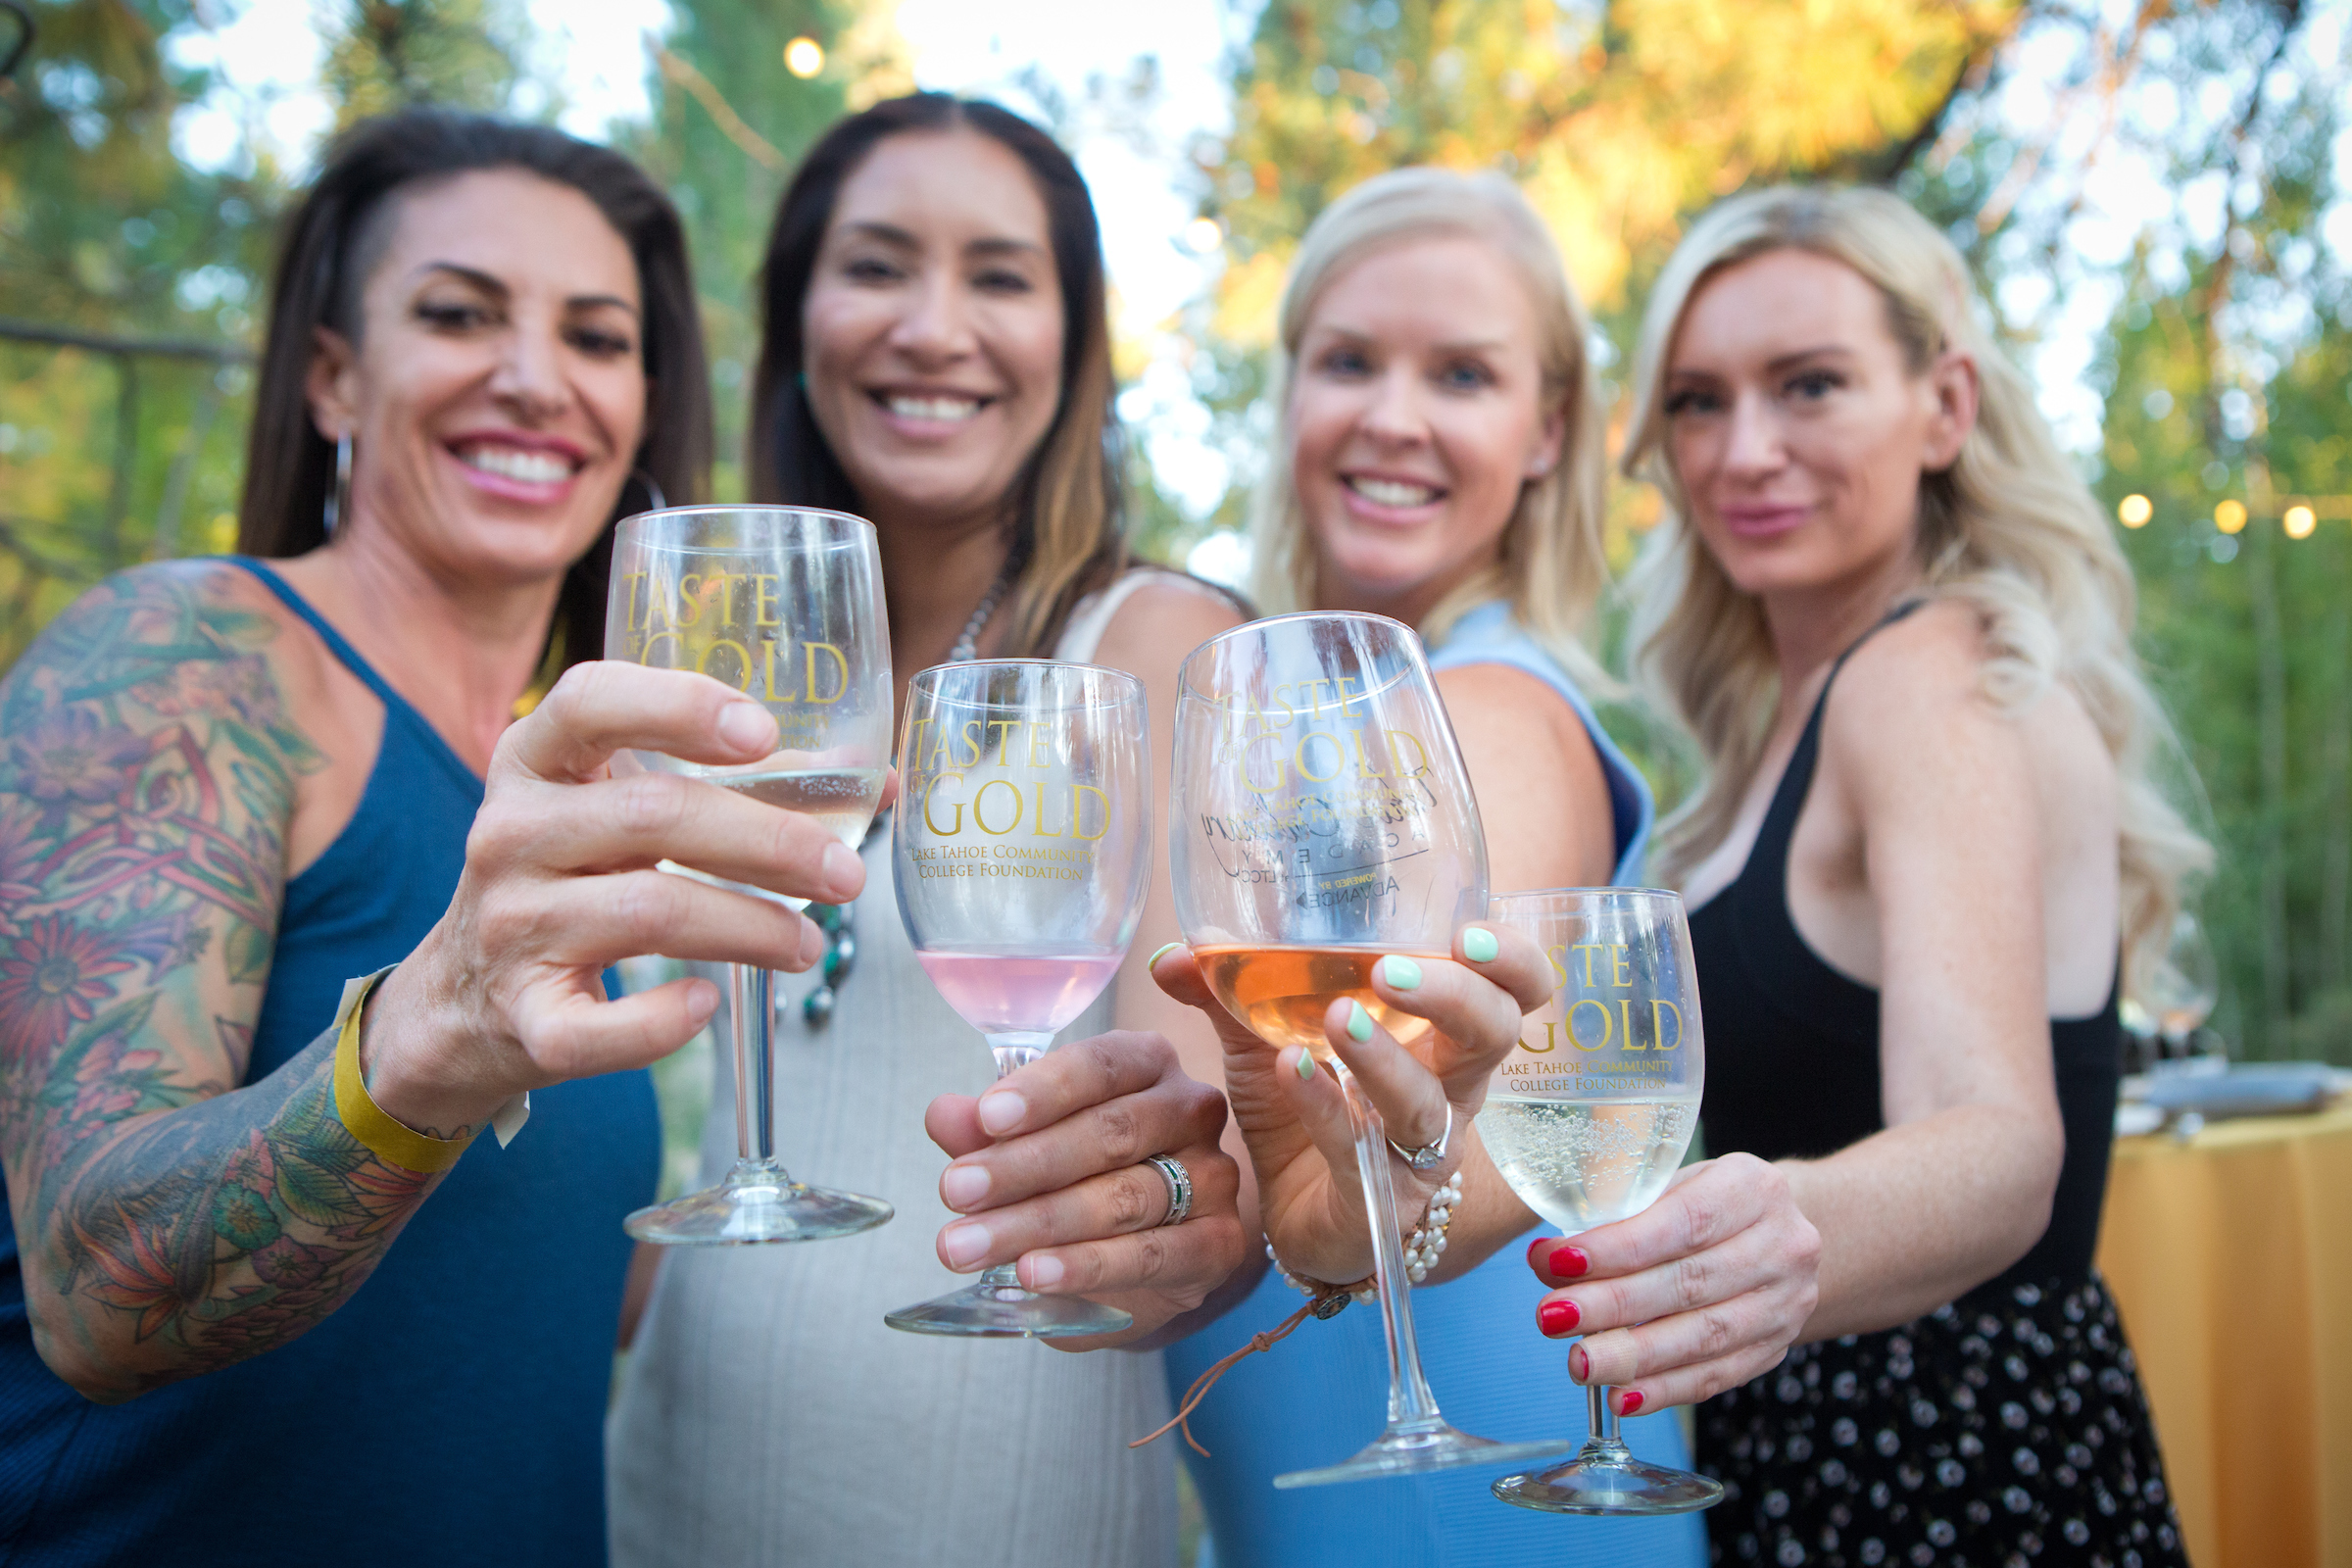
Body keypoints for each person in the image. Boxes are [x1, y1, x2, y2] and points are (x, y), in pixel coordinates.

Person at [0, 109, 759, 1565]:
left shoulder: (597, 797)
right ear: (336, 376)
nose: (536, 379)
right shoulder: (186, 661)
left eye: (597, 339)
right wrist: (423, 1038)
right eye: (461, 314)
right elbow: (97, 1291)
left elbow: (528, 1313)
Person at [607, 94, 1248, 1568]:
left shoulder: (1146, 644)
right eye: (879, 265)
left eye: (1001, 277)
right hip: (675, 1458)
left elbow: (1224, 1136)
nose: (932, 326)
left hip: (996, 1490)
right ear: (799, 318)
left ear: (1077, 347)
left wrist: (1192, 1224)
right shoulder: (730, 673)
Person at [1549, 183, 2199, 1566]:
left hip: (1939, 1467)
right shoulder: (1778, 728)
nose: (1746, 450)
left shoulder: (1928, 674)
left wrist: (1748, 1241)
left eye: (1811, 387)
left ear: (1945, 406)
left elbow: (2001, 1146)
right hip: (1807, 1449)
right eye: (1699, 402)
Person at [1157, 169, 1708, 1565]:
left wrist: (1354, 1218)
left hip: (1480, 1506)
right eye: (1349, 361)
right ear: (1290, 396)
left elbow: (1459, 1148)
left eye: (1460, 373)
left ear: (1546, 431)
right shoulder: (1273, 731)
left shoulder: (1500, 715)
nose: (1391, 415)